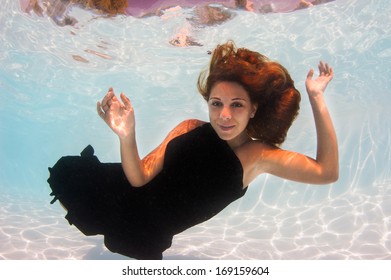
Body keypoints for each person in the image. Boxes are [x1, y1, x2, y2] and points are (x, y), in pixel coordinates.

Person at [47, 41, 338, 259]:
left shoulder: (257, 156)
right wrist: (127, 134)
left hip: (146, 232)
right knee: (68, 175)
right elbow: (139, 177)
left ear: (253, 110)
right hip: (122, 193)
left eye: (237, 104)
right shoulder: (188, 126)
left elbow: (327, 172)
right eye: (216, 103)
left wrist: (316, 97)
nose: (224, 115)